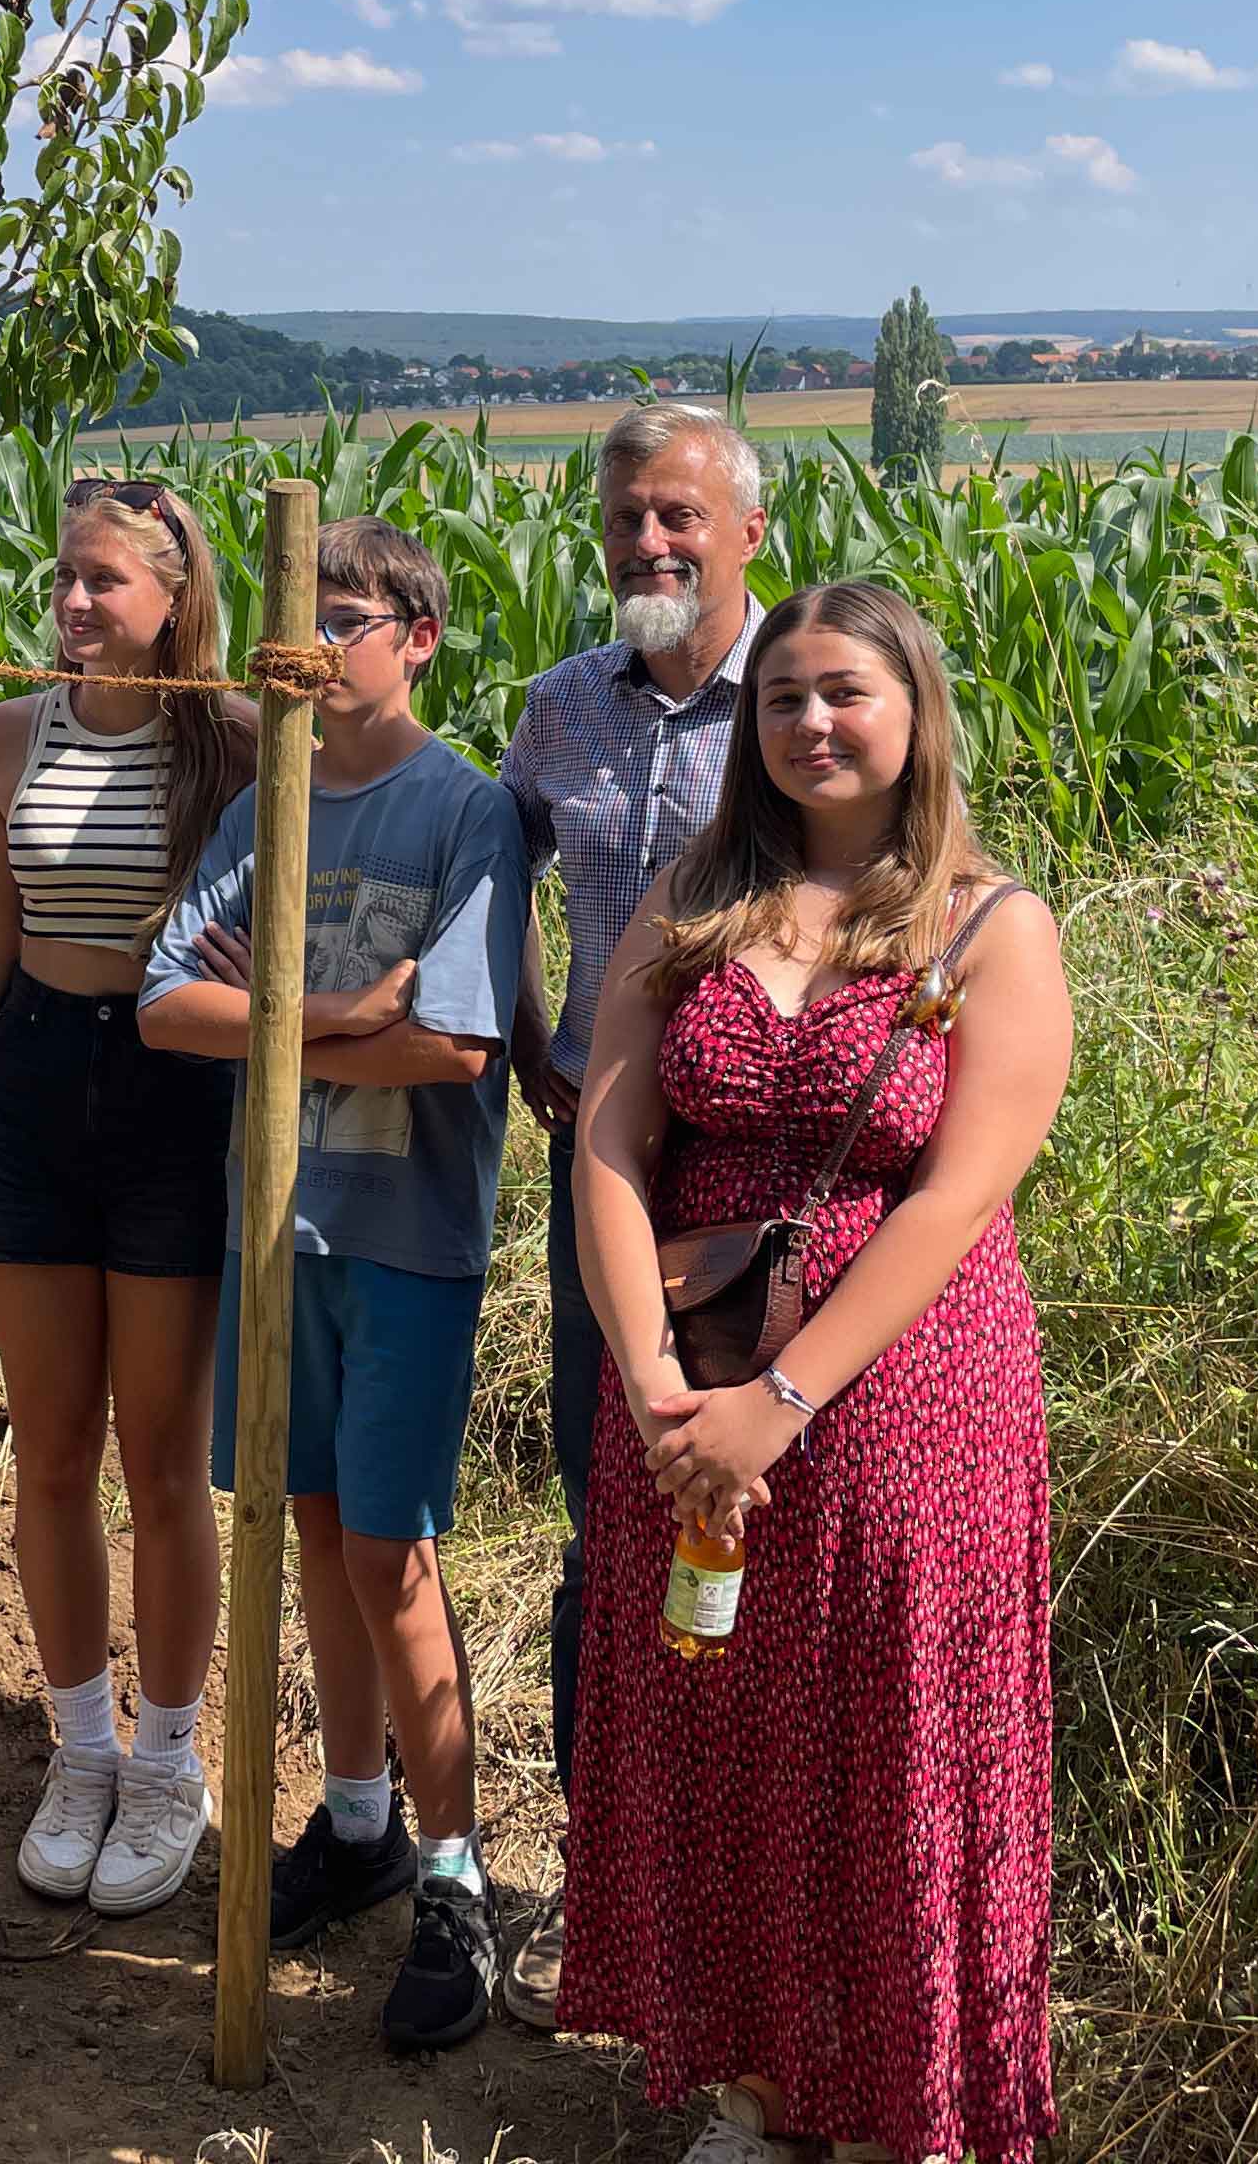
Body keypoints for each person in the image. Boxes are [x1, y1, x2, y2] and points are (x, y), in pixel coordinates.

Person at [558, 580, 1072, 2164]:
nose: (809, 724)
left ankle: (896, 2107)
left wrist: (777, 1407)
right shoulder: (693, 903)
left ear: (914, 710)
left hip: (910, 1403)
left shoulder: (994, 928)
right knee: (725, 1739)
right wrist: (654, 1382)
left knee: (890, 1746)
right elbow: (610, 1141)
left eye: (843, 692)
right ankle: (761, 2092)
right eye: (781, 697)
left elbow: (958, 1194)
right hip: (688, 1391)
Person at [142, 517, 529, 2055]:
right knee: (308, 1536)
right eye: (293, 627)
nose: (308, 652)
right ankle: (359, 1818)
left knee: (393, 1556)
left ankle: (454, 1876)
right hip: (273, 1232)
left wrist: (286, 1011)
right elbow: (171, 1008)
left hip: (403, 1236)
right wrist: (338, 1005)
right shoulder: (259, 808)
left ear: (417, 636)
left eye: (347, 618)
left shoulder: (465, 815)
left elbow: (455, 1043)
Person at [0, 475, 256, 1916]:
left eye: (103, 583)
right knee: (51, 1452)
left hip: (179, 1097)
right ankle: (80, 1749)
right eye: (64, 578)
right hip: (34, 1086)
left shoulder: (238, 745)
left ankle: (170, 1758)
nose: (71, 604)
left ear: (174, 599)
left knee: (163, 1460)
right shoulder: (7, 739)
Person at [494, 398, 771, 2026]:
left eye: (679, 517)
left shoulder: (803, 701)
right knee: (617, 1520)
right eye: (625, 524)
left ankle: (748, 1909)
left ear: (748, 532)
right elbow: (494, 881)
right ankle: (616, 1894)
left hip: (763, 1184)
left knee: (762, 1527)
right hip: (606, 1175)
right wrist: (532, 1036)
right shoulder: (555, 714)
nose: (649, 547)